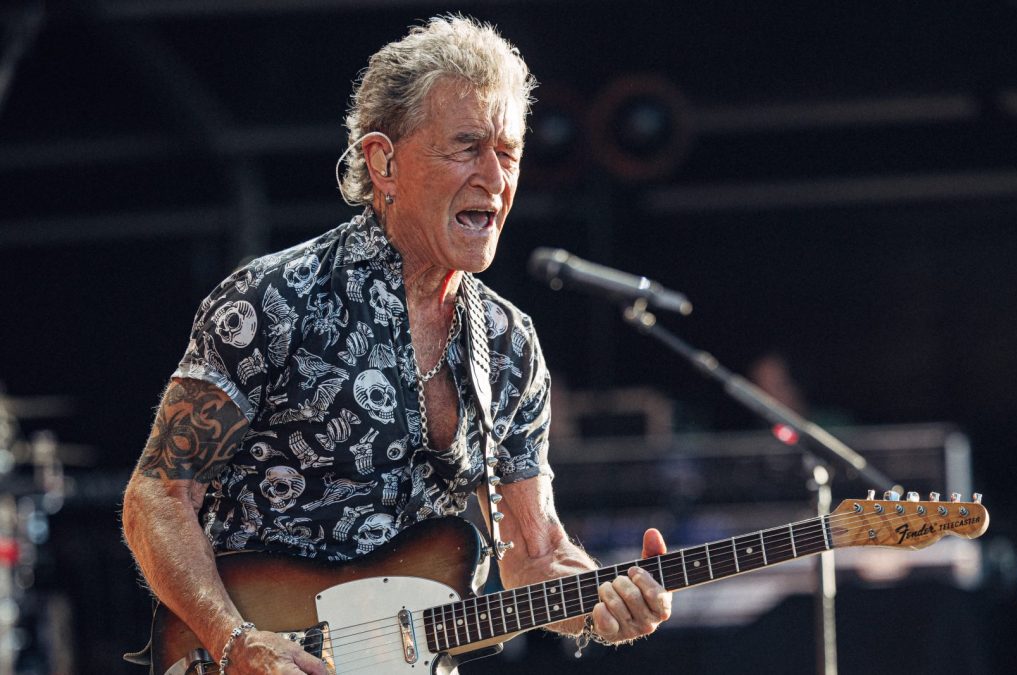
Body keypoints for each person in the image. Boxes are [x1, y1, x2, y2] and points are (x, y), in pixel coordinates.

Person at [122, 15, 672, 675]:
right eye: (467, 147)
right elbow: (158, 496)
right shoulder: (275, 299)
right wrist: (234, 640)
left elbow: (535, 554)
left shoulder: (508, 344)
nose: (495, 178)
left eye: (509, 152)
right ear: (384, 161)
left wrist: (603, 603)